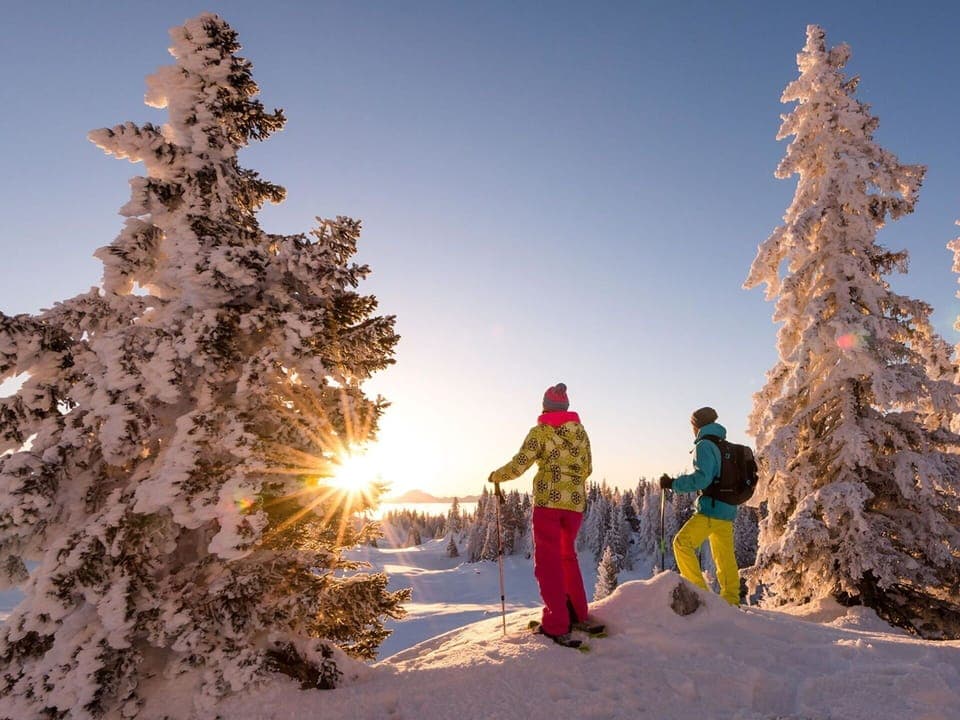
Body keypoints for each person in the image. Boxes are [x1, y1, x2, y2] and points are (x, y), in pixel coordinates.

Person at [489, 382, 598, 645]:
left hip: (548, 504)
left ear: (545, 407)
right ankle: (578, 614)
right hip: (574, 506)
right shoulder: (581, 433)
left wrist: (497, 476)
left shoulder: (541, 432)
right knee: (567, 558)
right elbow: (588, 468)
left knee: (548, 564)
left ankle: (557, 624)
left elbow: (520, 463)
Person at [659, 406, 740, 606]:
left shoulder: (704, 445)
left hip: (710, 510)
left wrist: (673, 484)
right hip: (728, 510)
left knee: (682, 544)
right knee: (725, 558)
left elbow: (703, 479)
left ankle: (700, 595)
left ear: (697, 425)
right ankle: (731, 601)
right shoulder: (725, 445)